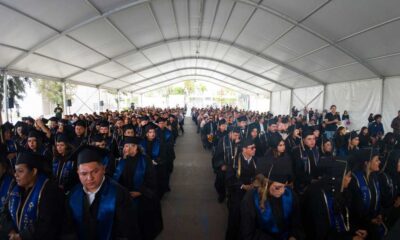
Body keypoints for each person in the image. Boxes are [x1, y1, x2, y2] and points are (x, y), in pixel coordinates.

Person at [62, 145, 140, 240]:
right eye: (84, 173)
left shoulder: (119, 194)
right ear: (78, 173)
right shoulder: (73, 196)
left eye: (95, 172)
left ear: (103, 169)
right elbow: (68, 229)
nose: (89, 178)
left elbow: (128, 232)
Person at [0, 152, 64, 240]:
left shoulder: (49, 190)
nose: (16, 175)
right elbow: (4, 212)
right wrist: (10, 230)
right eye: (15, 171)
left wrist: (22, 236)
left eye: (20, 171)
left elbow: (48, 223)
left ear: (34, 171)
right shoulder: (15, 187)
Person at [113, 136, 163, 240]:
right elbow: (116, 181)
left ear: (137, 147)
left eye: (132, 146)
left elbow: (152, 181)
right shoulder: (121, 162)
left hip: (143, 201)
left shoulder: (145, 161)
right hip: (126, 201)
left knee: (143, 228)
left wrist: (140, 192)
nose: (129, 148)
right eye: (126, 146)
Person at [306, 160, 369, 240]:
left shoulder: (338, 193)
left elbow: (341, 222)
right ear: (338, 178)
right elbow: (321, 234)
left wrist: (353, 231)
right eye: (348, 176)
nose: (350, 179)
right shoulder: (318, 197)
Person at [240, 166, 304, 240]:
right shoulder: (251, 198)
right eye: (277, 187)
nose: (282, 191)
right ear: (266, 184)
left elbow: (296, 223)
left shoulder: (290, 194)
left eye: (285, 186)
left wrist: (293, 236)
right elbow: (248, 233)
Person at [349, 149, 386, 239]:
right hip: (359, 225)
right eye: (376, 160)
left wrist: (379, 214)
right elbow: (355, 207)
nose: (379, 162)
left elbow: (378, 197)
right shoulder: (355, 179)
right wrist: (370, 220)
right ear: (367, 163)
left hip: (372, 221)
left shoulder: (374, 176)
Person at [225, 138, 258, 240]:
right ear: (244, 149)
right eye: (251, 148)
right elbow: (229, 179)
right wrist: (243, 186)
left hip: (252, 195)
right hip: (237, 194)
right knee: (235, 219)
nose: (254, 150)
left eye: (255, 147)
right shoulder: (234, 161)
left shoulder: (256, 160)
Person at [213, 127, 241, 203]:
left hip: (234, 167)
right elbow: (217, 155)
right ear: (230, 133)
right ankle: (222, 195)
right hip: (224, 165)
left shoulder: (239, 141)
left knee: (232, 183)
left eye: (238, 135)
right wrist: (221, 164)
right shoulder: (223, 141)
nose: (237, 137)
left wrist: (238, 144)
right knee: (219, 183)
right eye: (235, 135)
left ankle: (230, 196)